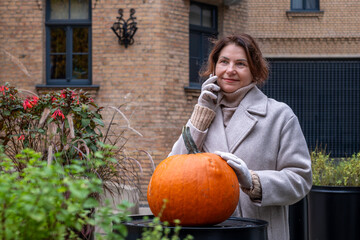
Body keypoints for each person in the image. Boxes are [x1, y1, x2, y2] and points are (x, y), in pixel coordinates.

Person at [169, 33, 312, 240]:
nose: (230, 70)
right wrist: (200, 115)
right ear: (214, 67)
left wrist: (254, 181)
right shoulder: (204, 114)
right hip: (210, 234)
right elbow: (171, 172)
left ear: (254, 71)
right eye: (224, 62)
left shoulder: (279, 115)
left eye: (241, 64)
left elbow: (300, 180)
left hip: (261, 233)